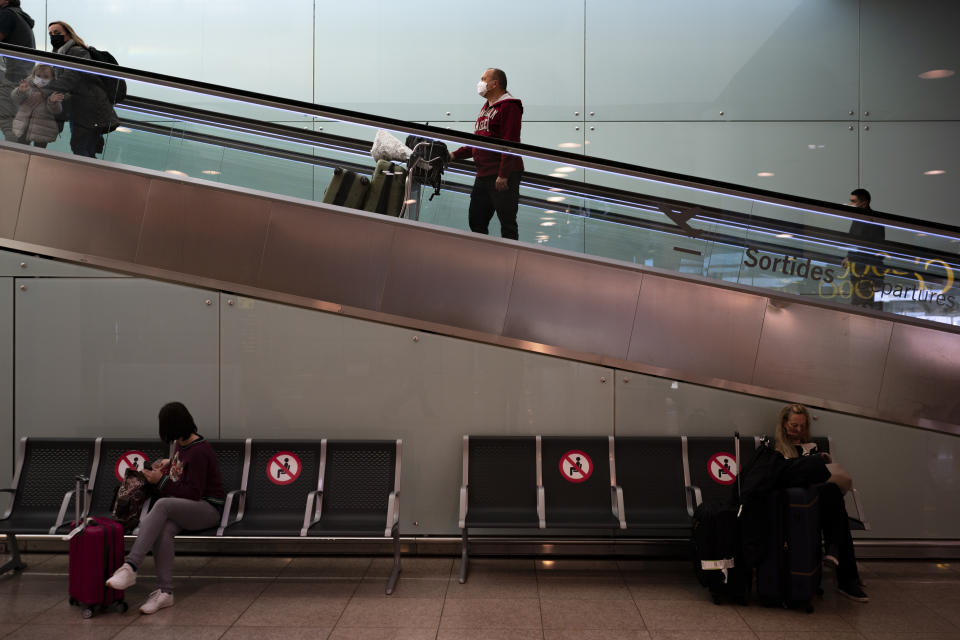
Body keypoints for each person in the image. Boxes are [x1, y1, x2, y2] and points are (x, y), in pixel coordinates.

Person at [105, 402, 225, 614]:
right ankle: (165, 592)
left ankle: (130, 566)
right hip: (188, 509)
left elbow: (193, 493)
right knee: (164, 530)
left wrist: (160, 480)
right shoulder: (182, 444)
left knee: (162, 504)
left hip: (207, 510)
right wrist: (168, 464)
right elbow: (182, 471)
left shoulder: (199, 451)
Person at [774, 403, 868, 603]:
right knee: (837, 512)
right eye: (794, 426)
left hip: (818, 505)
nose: (798, 431)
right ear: (783, 425)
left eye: (802, 426)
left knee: (833, 499)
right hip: (795, 507)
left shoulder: (813, 448)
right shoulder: (777, 450)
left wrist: (820, 460)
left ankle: (837, 558)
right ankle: (846, 576)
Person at [449, 68, 524, 241]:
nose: (480, 82)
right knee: (476, 220)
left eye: (484, 79)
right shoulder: (486, 108)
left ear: (495, 84)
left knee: (507, 224)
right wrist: (453, 155)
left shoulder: (510, 106)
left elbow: (510, 142)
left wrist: (503, 175)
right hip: (483, 174)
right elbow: (478, 142)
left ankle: (509, 263)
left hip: (503, 176)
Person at [46, 21, 118, 157]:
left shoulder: (77, 51)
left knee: (80, 146)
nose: (53, 36)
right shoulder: (61, 53)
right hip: (82, 107)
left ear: (68, 34)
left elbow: (70, 78)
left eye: (57, 33)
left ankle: (91, 176)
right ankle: (93, 174)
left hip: (89, 107)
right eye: (50, 33)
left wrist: (45, 88)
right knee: (85, 147)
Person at [0, 0, 36, 141]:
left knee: (7, 121)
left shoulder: (7, 14)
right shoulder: (20, 17)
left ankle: (14, 159)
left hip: (7, 78)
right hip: (19, 78)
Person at [844, 189, 886, 310]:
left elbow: (871, 248)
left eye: (853, 201)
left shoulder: (873, 220)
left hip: (866, 271)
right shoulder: (859, 218)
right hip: (860, 269)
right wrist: (849, 257)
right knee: (860, 302)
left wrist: (851, 257)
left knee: (864, 303)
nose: (850, 204)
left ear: (864, 202)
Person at [10, 64, 64, 148]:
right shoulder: (26, 85)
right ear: (33, 75)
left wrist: (52, 102)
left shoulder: (53, 92)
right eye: (38, 76)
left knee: (39, 151)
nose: (41, 79)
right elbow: (15, 100)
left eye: (46, 77)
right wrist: (20, 91)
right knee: (20, 148)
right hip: (24, 126)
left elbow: (57, 110)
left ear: (52, 78)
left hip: (43, 129)